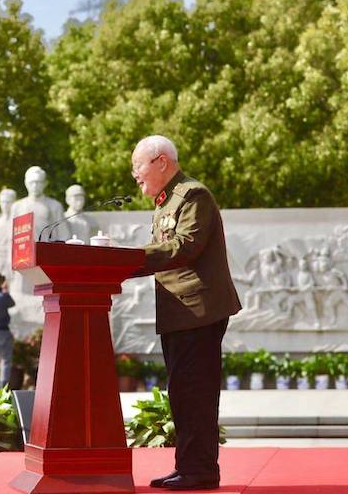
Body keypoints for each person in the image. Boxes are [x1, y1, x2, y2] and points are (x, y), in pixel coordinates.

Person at [128, 135, 241, 491]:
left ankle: (200, 471)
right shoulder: (165, 201)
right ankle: (189, 467)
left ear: (161, 161)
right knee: (182, 392)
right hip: (179, 313)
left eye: (138, 165)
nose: (135, 174)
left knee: (196, 392)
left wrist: (129, 259)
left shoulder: (193, 195)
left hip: (198, 311)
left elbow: (186, 246)